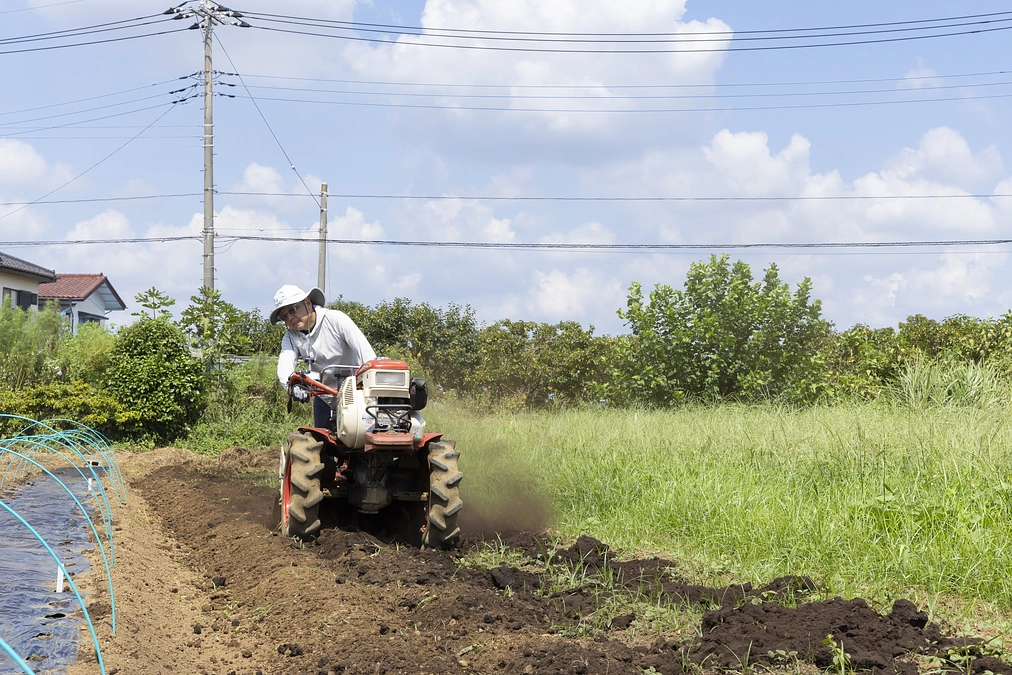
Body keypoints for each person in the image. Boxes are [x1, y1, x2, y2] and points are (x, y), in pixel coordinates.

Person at [271, 284, 376, 428]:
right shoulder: (290, 337)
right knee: (322, 443)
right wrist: (293, 386)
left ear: (307, 303)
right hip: (324, 395)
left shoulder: (335, 319)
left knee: (364, 437)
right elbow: (285, 366)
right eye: (284, 315)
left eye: (293, 309)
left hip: (356, 394)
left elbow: (366, 352)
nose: (290, 317)